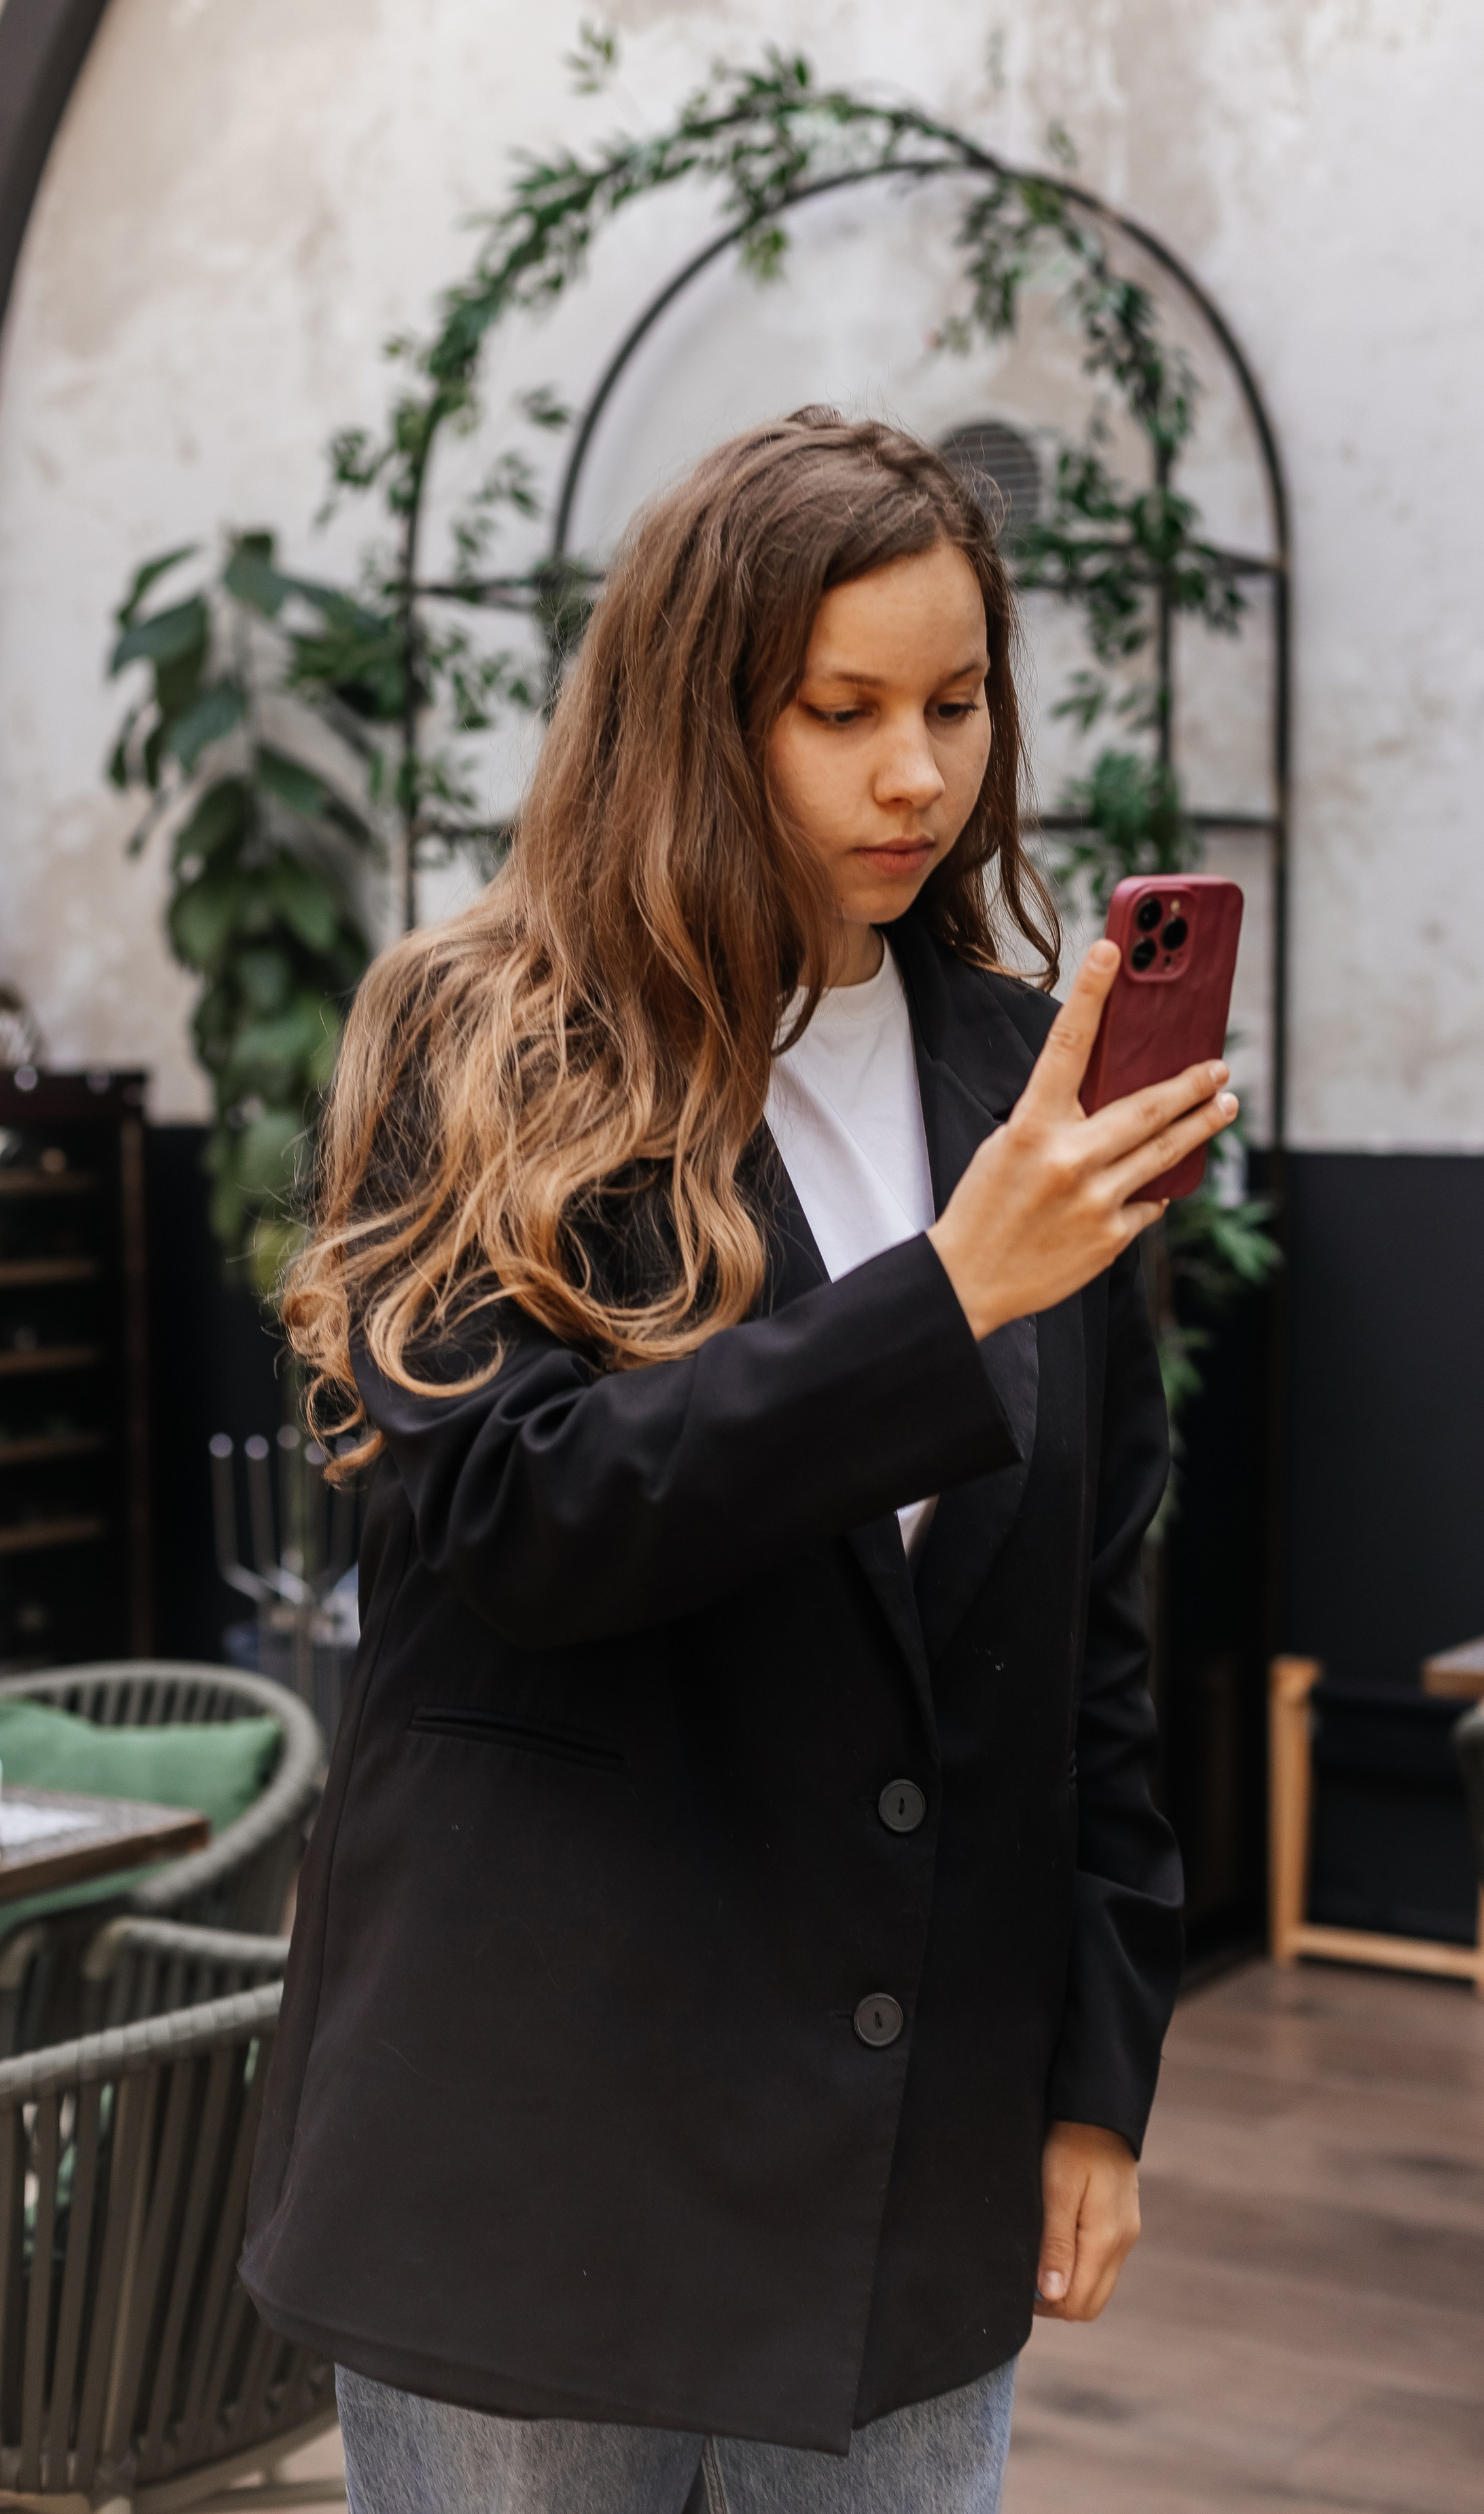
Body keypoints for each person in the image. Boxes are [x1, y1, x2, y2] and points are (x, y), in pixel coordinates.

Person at [242, 410, 1237, 2514]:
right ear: (699, 717)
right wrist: (945, 1301)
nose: (919, 775)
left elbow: (1094, 1639)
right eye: (842, 710)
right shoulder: (485, 1036)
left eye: (958, 704)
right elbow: (517, 1517)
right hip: (539, 2156)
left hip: (906, 2172)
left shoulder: (1017, 1073)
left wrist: (1094, 2080)